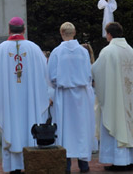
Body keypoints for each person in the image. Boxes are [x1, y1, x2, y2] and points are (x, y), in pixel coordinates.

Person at [0, 17, 49, 173]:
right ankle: (30, 164)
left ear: (9, 29)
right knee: (29, 125)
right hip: (30, 100)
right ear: (24, 29)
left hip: (9, 101)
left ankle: (14, 167)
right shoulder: (34, 49)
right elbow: (44, 72)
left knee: (12, 128)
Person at [92, 22, 133, 171]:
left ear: (109, 34)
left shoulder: (108, 51)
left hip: (115, 98)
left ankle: (118, 162)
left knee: (116, 123)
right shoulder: (130, 50)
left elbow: (97, 71)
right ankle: (131, 161)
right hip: (131, 98)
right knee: (130, 125)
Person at [48, 22, 95, 173]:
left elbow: (51, 76)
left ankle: (66, 165)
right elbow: (88, 74)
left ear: (61, 33)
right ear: (74, 33)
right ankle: (83, 164)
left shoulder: (57, 52)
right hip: (81, 95)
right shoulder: (83, 52)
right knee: (81, 128)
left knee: (64, 129)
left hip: (64, 95)